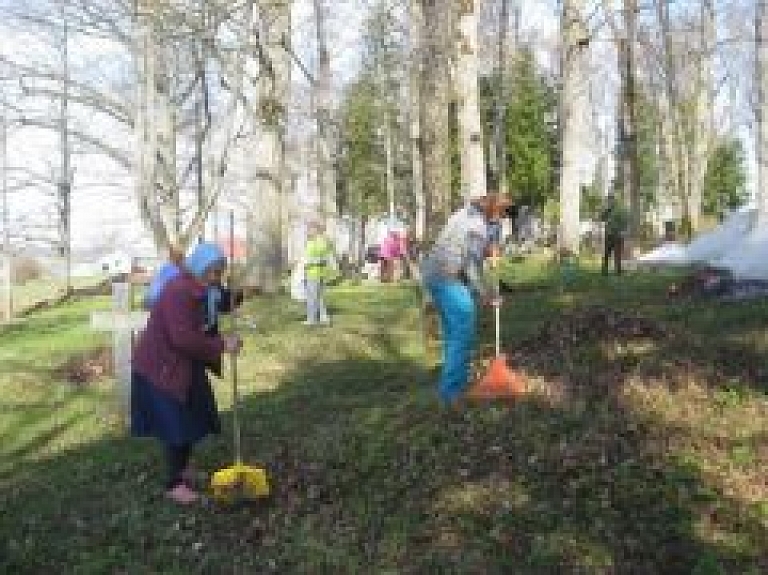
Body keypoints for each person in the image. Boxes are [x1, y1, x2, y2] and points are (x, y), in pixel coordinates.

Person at [131, 242, 242, 505]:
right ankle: (174, 484)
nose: (218, 278)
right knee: (176, 425)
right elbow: (182, 338)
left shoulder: (203, 287)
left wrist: (236, 293)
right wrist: (222, 345)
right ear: (200, 267)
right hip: (162, 367)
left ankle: (183, 468)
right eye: (214, 272)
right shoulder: (178, 291)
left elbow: (223, 302)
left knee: (194, 414)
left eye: (220, 272)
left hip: (184, 364)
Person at [420, 201, 499, 408]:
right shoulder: (478, 226)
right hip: (448, 278)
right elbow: (472, 266)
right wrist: (486, 294)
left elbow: (466, 254)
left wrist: (486, 254)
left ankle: (450, 389)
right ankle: (452, 394)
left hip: (433, 275)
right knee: (462, 336)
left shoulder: (462, 214)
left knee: (452, 335)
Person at [303, 221, 335, 326]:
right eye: (308, 229)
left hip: (314, 273)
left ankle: (311, 319)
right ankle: (324, 318)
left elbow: (323, 259)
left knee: (312, 297)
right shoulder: (317, 241)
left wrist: (309, 263)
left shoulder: (318, 242)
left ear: (315, 230)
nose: (308, 231)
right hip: (317, 273)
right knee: (319, 297)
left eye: (309, 229)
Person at [600, 193, 629, 275]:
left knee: (617, 254)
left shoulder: (620, 209)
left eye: (611, 199)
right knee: (606, 253)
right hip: (608, 235)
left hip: (618, 235)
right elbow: (602, 218)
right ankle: (604, 271)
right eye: (608, 200)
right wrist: (606, 210)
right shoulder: (607, 210)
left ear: (614, 200)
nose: (609, 201)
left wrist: (623, 231)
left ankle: (618, 272)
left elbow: (625, 220)